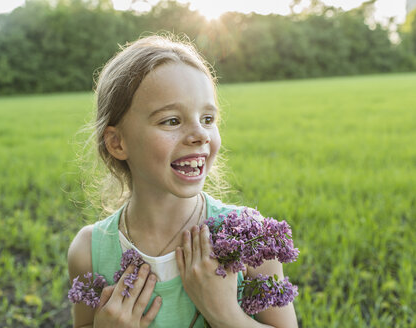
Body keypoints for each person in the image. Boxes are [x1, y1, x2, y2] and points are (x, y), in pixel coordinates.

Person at [68, 34, 298, 328]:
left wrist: (226, 314)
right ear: (117, 142)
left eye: (208, 119)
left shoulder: (250, 239)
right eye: (172, 121)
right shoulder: (89, 251)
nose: (201, 134)